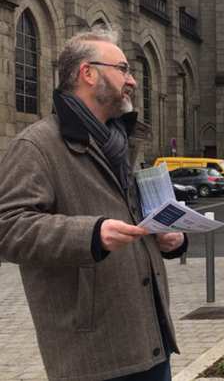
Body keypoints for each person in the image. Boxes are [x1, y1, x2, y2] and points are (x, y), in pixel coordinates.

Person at [0, 25, 187, 381]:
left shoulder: (121, 141)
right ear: (87, 73)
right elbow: (9, 228)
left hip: (150, 339)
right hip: (93, 355)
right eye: (123, 69)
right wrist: (92, 233)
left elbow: (133, 216)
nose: (131, 81)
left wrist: (170, 238)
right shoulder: (36, 146)